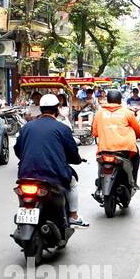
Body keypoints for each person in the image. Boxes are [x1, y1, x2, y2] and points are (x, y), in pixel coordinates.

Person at [15, 93, 87, 226]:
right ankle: (73, 215)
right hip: (53, 175)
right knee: (73, 183)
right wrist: (77, 160)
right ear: (57, 109)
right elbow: (72, 153)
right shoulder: (62, 129)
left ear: (41, 109)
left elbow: (18, 150)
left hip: (26, 174)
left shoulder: (26, 128)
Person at [91, 89, 140, 190]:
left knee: (100, 163)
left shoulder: (99, 113)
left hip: (104, 148)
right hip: (125, 148)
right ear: (120, 101)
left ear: (107, 100)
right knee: (136, 157)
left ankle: (100, 185)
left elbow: (94, 133)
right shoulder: (127, 112)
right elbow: (137, 130)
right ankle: (133, 181)